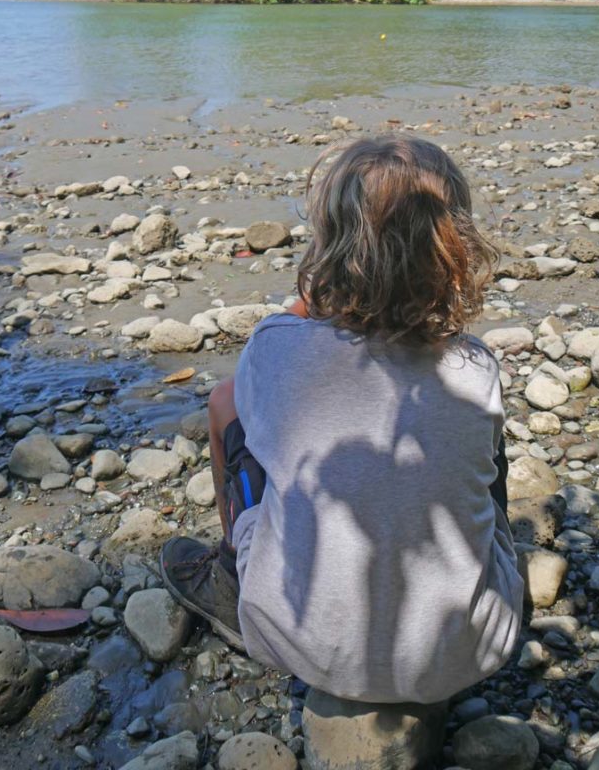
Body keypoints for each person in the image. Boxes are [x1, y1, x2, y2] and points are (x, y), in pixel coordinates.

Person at [160, 135, 524, 705]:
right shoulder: (473, 365)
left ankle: (231, 573)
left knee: (226, 401)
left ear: (328, 246)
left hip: (299, 642)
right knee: (480, 439)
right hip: (473, 649)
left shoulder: (278, 347)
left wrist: (317, 296)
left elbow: (281, 356)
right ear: (456, 251)